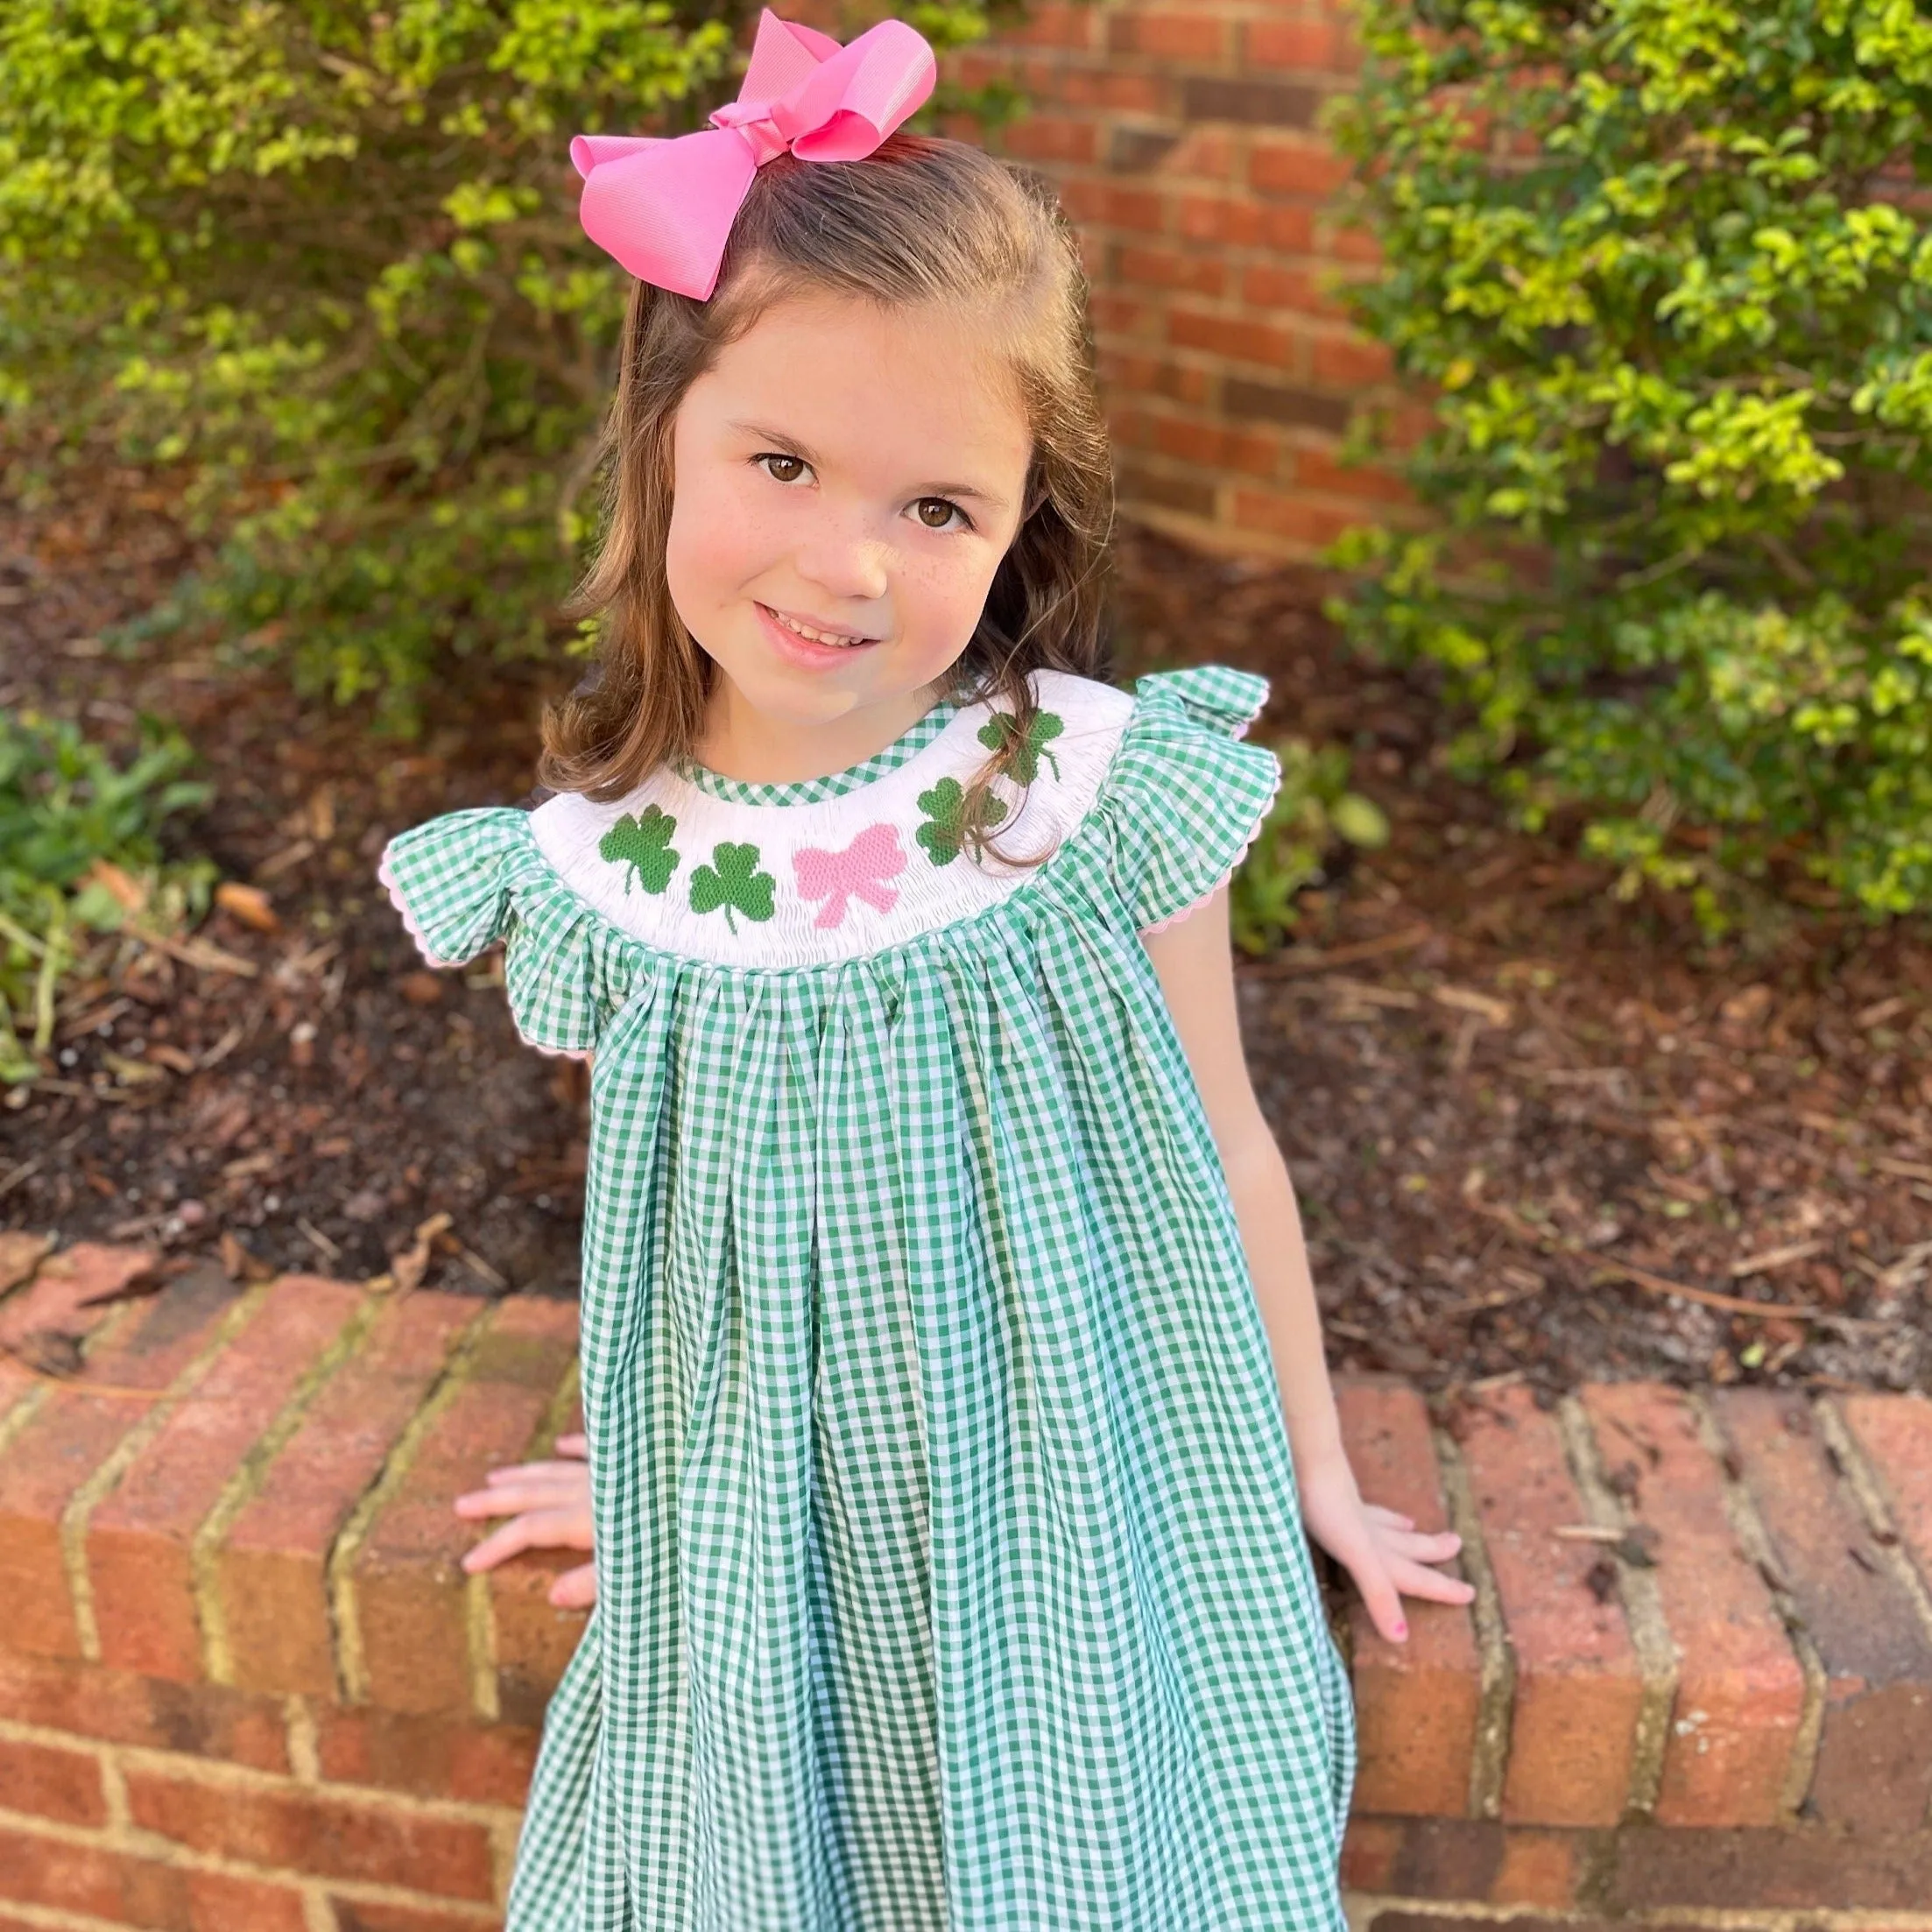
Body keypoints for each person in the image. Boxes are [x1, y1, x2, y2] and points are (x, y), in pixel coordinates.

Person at [383, 11, 1474, 1927]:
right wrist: (648, 1489)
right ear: (659, 445)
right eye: (783, 461)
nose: (847, 561)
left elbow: (1224, 1142)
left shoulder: (1077, 788)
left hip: (1074, 1491)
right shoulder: (611, 881)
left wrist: (1304, 1456)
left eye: (935, 506)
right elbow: (687, 1239)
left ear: (1015, 516)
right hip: (791, 1547)